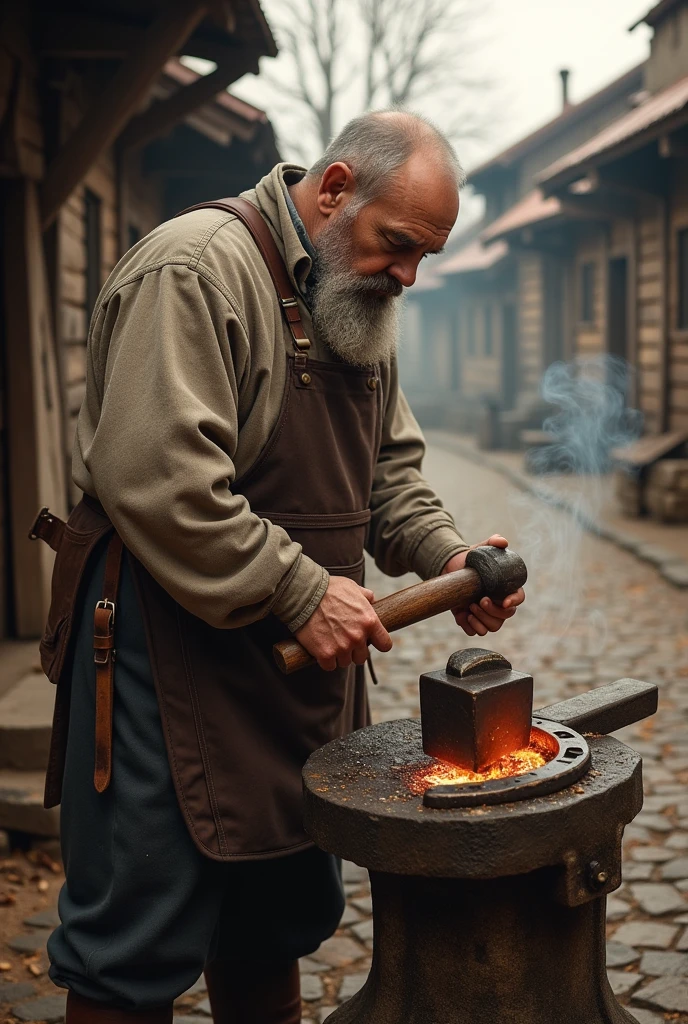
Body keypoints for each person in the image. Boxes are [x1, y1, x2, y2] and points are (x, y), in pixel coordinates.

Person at [39, 110, 525, 1024]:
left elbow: (388, 475)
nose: (409, 276)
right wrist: (302, 590)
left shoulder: (356, 293)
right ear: (335, 191)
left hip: (297, 682)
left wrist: (447, 553)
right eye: (399, 245)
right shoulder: (194, 268)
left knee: (270, 925)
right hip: (164, 662)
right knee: (128, 953)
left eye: (426, 257)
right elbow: (161, 482)